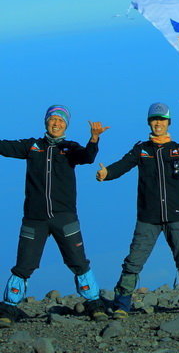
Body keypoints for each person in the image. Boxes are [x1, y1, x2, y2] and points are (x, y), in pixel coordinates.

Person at [96, 103, 179, 318]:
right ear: (149, 122)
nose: (158, 123)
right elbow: (122, 165)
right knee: (134, 261)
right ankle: (122, 304)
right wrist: (107, 173)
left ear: (169, 122)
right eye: (155, 119)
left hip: (177, 215)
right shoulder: (141, 150)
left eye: (162, 119)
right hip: (148, 217)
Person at [0, 105, 110, 326]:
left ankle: (95, 305)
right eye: (53, 119)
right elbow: (3, 147)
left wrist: (94, 138)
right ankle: (8, 310)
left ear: (66, 125)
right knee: (24, 266)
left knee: (79, 262)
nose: (56, 123)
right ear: (46, 122)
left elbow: (87, 157)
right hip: (34, 218)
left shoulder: (70, 148)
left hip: (64, 217)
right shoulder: (32, 146)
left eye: (61, 121)